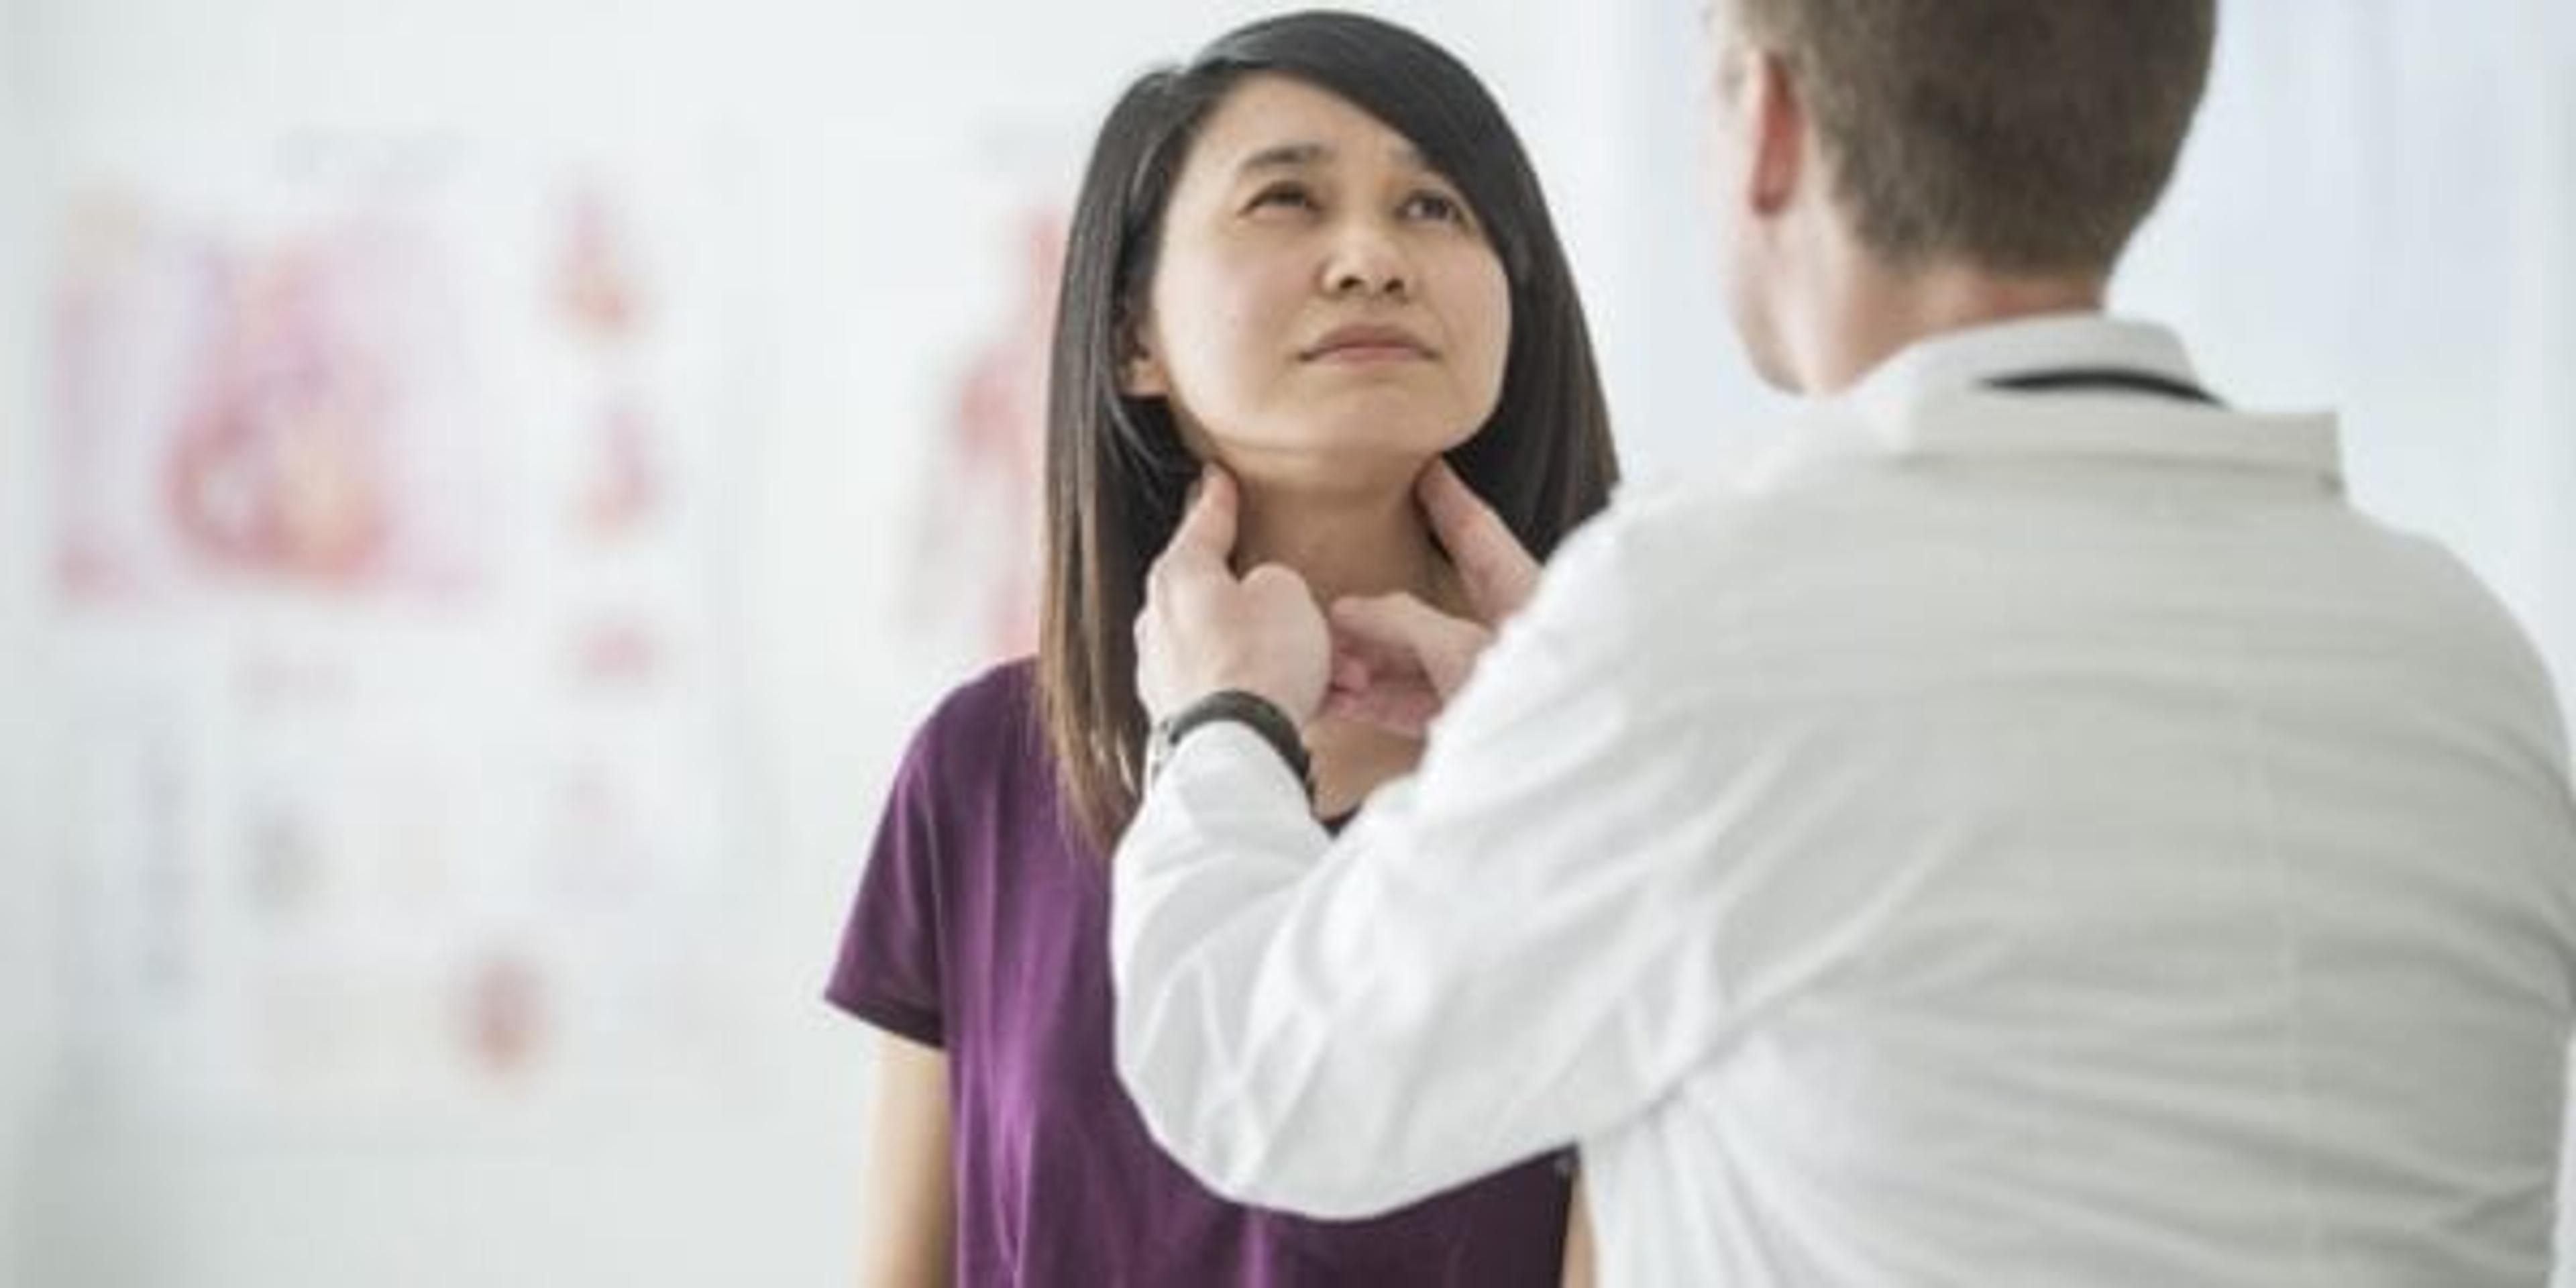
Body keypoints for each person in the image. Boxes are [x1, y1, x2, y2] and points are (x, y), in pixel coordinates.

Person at [1112, 1, 2576, 1284]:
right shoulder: (2465, 657)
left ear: (1766, 122)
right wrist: (1557, 729)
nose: (1373, 260)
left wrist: (1221, 723)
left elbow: (1259, 1076)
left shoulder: (1703, 622)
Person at [825, 10, 1621, 1285]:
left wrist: (1581, 764)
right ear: (1135, 332)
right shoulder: (981, 771)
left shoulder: (1614, 776)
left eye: (1435, 207)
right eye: (1287, 200)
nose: (1370, 258)